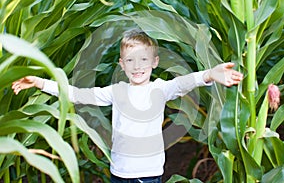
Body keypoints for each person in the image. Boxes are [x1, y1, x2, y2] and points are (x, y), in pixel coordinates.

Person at [12, 29, 243, 183]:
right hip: (119, 174)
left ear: (154, 62)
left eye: (143, 59)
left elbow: (185, 82)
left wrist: (211, 74)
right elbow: (78, 95)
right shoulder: (117, 91)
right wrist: (41, 83)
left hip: (150, 175)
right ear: (122, 65)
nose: (137, 66)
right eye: (130, 60)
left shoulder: (160, 89)